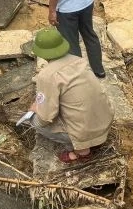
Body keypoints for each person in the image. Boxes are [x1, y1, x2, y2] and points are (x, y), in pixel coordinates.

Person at [25, 27, 113, 163]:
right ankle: (95, 141)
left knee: (34, 121)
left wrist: (35, 109)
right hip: (105, 120)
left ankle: (81, 152)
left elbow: (46, 117)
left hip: (83, 132)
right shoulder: (78, 60)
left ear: (41, 53)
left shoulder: (47, 76)